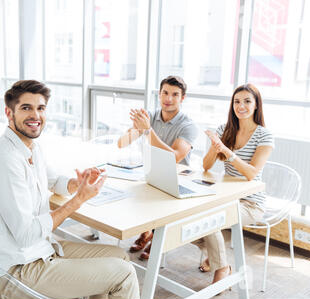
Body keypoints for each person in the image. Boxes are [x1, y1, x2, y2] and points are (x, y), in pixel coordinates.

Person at [0, 80, 140, 299]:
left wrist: (77, 185)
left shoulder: (31, 147)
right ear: (8, 112)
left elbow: (53, 181)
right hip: (15, 270)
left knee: (120, 257)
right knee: (124, 275)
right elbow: (25, 235)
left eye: (40, 108)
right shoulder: (5, 160)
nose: (35, 115)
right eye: (26, 108)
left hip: (40, 250)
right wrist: (78, 200)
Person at [198, 83, 274, 285]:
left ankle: (220, 266)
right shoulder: (224, 129)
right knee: (188, 218)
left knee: (209, 219)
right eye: (237, 101)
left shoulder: (264, 135)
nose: (241, 106)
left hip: (251, 203)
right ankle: (219, 257)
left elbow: (251, 173)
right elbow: (205, 166)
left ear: (257, 105)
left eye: (247, 101)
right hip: (225, 196)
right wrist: (216, 146)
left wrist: (227, 150)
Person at [117, 75, 199, 260]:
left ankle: (157, 236)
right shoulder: (150, 116)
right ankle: (148, 231)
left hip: (177, 179)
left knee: (153, 199)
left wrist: (147, 130)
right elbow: (121, 144)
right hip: (151, 175)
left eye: (175, 95)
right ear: (159, 94)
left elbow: (174, 158)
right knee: (126, 195)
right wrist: (135, 127)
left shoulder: (188, 125)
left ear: (182, 98)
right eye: (165, 93)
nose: (168, 99)